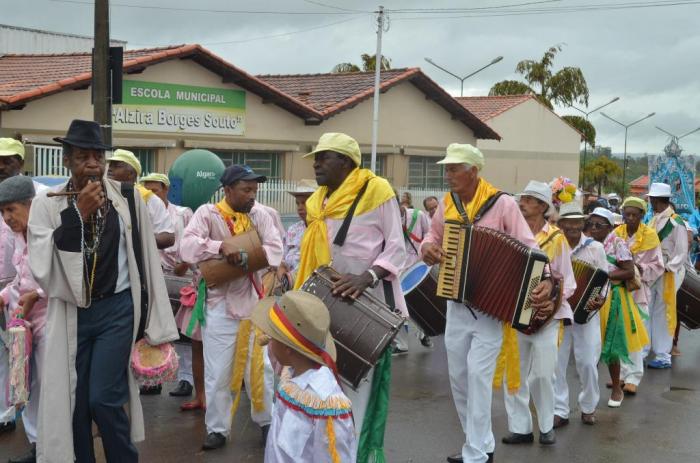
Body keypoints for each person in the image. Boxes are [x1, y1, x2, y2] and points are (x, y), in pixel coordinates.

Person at [27, 119, 178, 462]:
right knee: (75, 405)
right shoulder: (47, 203)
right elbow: (42, 266)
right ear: (67, 160)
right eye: (83, 156)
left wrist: (155, 320)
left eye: (98, 156)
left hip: (117, 310)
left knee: (104, 399)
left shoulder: (127, 197)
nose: (93, 163)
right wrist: (77, 214)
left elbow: (146, 259)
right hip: (72, 313)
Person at [421, 144, 555, 463]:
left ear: (473, 171)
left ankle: (476, 454)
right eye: (448, 168)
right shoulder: (447, 204)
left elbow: (530, 247)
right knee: (459, 378)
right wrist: (427, 249)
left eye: (455, 168)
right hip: (456, 302)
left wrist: (546, 279)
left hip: (490, 309)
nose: (448, 174)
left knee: (479, 376)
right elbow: (431, 239)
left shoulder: (503, 203)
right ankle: (480, 442)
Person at [294, 132, 407, 462]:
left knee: (355, 393)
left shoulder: (377, 191)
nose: (316, 164)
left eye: (323, 157)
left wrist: (366, 277)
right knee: (322, 389)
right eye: (315, 158)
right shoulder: (318, 201)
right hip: (323, 304)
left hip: (366, 308)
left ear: (345, 161)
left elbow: (397, 248)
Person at [180, 165, 283, 451]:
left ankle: (266, 422)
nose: (252, 195)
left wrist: (248, 256)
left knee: (260, 368)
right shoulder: (207, 213)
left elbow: (276, 249)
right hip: (218, 306)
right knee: (218, 371)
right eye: (246, 190)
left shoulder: (261, 214)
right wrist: (219, 246)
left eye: (254, 190)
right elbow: (186, 248)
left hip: (254, 305)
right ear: (227, 190)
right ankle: (217, 428)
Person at [500, 181, 576, 447]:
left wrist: (551, 301)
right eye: (523, 197)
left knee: (544, 373)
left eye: (530, 199)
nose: (522, 202)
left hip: (547, 318)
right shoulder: (509, 233)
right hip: (514, 314)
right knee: (515, 372)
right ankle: (520, 428)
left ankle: (546, 426)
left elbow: (568, 281)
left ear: (543, 206)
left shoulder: (556, 238)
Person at [251, 291, 357, 463]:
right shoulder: (290, 373)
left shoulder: (325, 403)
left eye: (273, 337)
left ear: (287, 349)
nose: (268, 340)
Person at [140, 173, 204, 410]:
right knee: (153, 328)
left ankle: (185, 379)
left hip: (181, 275)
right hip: (151, 276)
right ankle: (152, 377)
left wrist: (186, 264)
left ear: (166, 189)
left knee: (184, 332)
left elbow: (192, 241)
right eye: (147, 191)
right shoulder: (142, 209)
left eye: (155, 190)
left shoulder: (182, 213)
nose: (151, 195)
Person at [0, 176, 48, 463]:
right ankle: (36, 446)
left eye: (12, 210)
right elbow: (21, 279)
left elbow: (64, 277)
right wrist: (6, 295)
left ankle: (50, 448)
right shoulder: (19, 238)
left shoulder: (48, 234)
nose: (7, 218)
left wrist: (36, 295)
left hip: (50, 322)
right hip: (24, 325)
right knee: (27, 386)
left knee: (46, 388)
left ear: (31, 205)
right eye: (2, 212)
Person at [587, 207, 649, 408]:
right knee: (589, 348)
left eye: (598, 225)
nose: (593, 229)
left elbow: (629, 272)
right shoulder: (587, 243)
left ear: (609, 226)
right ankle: (589, 393)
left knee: (611, 345)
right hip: (589, 297)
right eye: (591, 224)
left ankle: (616, 388)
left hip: (613, 297)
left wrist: (603, 275)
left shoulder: (617, 242)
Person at [553, 201, 607, 427]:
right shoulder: (554, 245)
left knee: (587, 363)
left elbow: (603, 281)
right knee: (557, 363)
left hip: (586, 314)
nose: (573, 227)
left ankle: (588, 407)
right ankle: (560, 410)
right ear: (561, 224)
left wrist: (599, 298)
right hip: (560, 313)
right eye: (568, 222)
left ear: (583, 223)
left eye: (577, 222)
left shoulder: (596, 248)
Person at [615, 197, 664, 393]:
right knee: (618, 333)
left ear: (642, 216)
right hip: (618, 289)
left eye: (635, 215)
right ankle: (619, 374)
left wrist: (636, 269)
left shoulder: (650, 236)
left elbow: (658, 266)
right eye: (627, 214)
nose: (630, 218)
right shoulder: (616, 233)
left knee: (634, 333)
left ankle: (633, 377)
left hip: (638, 291)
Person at [646, 183, 689, 369]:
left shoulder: (676, 222)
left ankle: (663, 354)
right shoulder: (654, 219)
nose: (650, 202)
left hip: (667, 272)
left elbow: (681, 251)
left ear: (658, 200)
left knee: (662, 313)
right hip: (652, 271)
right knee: (646, 310)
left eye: (652, 199)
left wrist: (668, 268)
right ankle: (643, 349)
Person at [107, 149, 175, 250]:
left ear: (131, 174)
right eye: (110, 165)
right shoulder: (102, 195)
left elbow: (168, 238)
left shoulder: (148, 199)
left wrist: (136, 239)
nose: (109, 169)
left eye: (117, 166)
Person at [397, 190, 433, 351]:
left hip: (419, 267)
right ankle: (404, 343)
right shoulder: (387, 220)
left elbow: (431, 235)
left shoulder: (418, 215)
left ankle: (424, 332)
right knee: (401, 307)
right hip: (399, 269)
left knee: (418, 305)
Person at [280, 179, 317, 283]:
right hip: (291, 289)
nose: (300, 208)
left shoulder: (325, 229)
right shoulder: (293, 230)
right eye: (298, 203)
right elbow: (282, 263)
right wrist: (285, 281)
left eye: (305, 203)